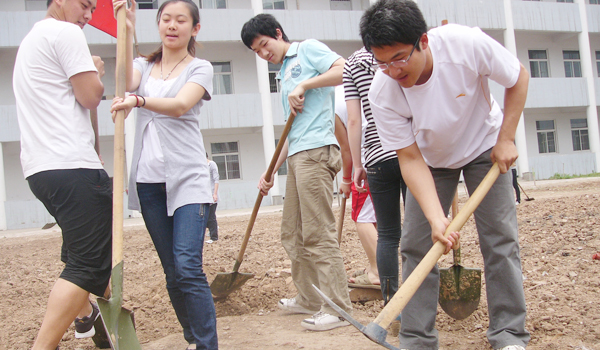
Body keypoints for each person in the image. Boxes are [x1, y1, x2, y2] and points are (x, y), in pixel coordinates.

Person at [362, 1, 531, 349]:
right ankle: (416, 339)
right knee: (416, 245)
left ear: (423, 40)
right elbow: (408, 158)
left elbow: (518, 77)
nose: (392, 70)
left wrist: (507, 138)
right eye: (382, 62)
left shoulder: (465, 45)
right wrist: (436, 217)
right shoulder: (382, 91)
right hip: (431, 160)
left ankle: (509, 334)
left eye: (399, 58)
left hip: (486, 146)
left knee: (500, 240)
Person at [110, 0, 217, 349]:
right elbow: (125, 80)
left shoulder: (200, 68)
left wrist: (139, 103)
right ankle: (192, 338)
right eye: (165, 19)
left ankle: (206, 344)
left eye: (180, 20)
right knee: (172, 273)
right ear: (158, 24)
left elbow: (180, 105)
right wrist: (126, 29)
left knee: (188, 266)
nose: (172, 25)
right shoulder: (144, 64)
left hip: (189, 179)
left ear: (194, 28)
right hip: (149, 182)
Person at [241, 13, 352, 331]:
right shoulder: (285, 74)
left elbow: (343, 70)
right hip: (298, 155)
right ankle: (308, 297)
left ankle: (338, 307)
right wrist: (272, 170)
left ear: (277, 33)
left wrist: (305, 83)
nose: (264, 54)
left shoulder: (306, 50)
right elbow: (292, 133)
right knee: (292, 233)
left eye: (264, 45)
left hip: (317, 153)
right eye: (257, 52)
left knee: (318, 233)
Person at [13, 0, 111, 349]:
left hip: (42, 169)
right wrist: (96, 73)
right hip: (71, 165)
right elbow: (89, 97)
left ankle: (86, 317)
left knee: (81, 253)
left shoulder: (31, 40)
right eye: (85, 6)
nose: (88, 15)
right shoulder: (65, 33)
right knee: (89, 262)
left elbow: (78, 108)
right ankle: (45, 344)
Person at [343, 46, 407, 302]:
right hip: (408, 148)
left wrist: (358, 164)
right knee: (417, 232)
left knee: (389, 235)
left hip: (377, 156)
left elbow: (354, 120)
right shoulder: (402, 54)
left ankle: (393, 307)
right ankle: (419, 305)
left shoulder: (351, 64)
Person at [333, 85, 380, 288]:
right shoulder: (348, 88)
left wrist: (345, 179)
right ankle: (374, 266)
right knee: (374, 216)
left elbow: (346, 149)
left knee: (362, 218)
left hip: (367, 160)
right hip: (386, 153)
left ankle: (378, 272)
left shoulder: (330, 104)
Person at [206, 153, 219, 243]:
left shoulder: (211, 164)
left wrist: (215, 194)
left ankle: (214, 237)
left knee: (211, 217)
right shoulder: (202, 167)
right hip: (205, 195)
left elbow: (216, 179)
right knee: (205, 217)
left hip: (211, 195)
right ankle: (212, 229)